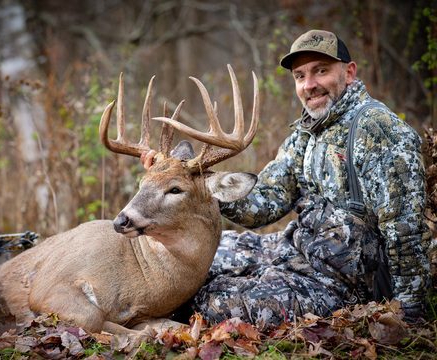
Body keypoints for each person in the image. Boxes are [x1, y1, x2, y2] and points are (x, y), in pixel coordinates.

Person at [141, 29, 431, 325]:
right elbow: (264, 201)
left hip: (346, 284)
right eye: (300, 76)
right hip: (295, 249)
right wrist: (192, 180)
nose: (310, 85)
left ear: (349, 72)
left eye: (321, 71)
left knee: (212, 302)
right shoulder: (309, 132)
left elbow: (405, 231)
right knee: (197, 255)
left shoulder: (380, 131)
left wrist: (410, 312)